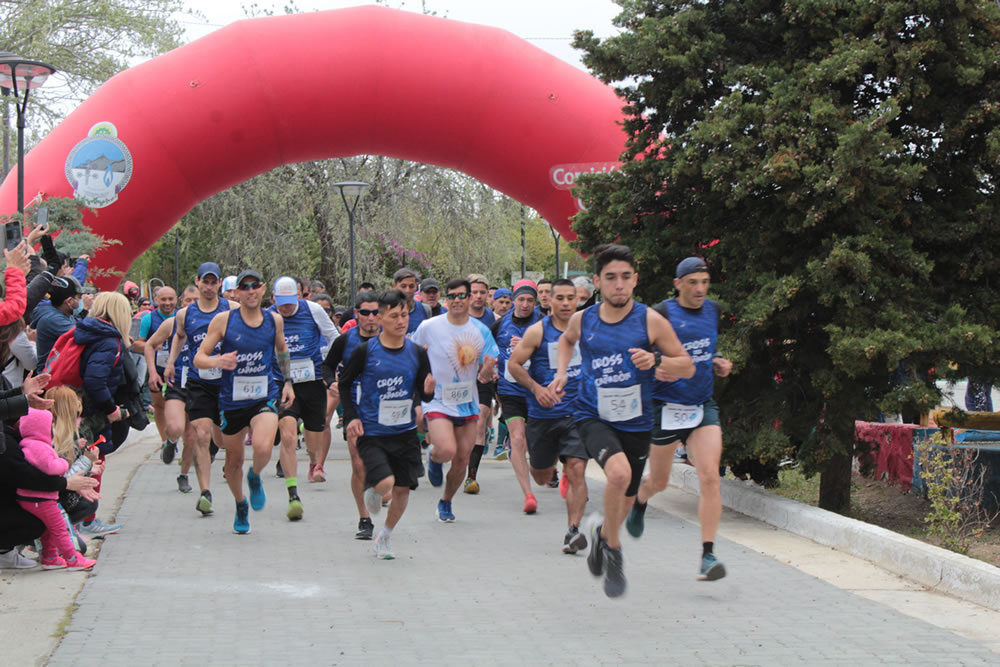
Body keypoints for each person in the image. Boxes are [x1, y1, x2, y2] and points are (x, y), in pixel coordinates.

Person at [553, 244, 693, 598]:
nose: (619, 285)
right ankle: (614, 552)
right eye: (611, 278)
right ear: (598, 282)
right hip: (592, 414)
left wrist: (656, 361)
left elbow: (686, 365)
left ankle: (601, 536)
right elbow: (567, 341)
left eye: (625, 277)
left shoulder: (650, 321)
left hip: (635, 421)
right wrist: (561, 373)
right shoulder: (584, 319)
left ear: (635, 281)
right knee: (618, 475)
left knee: (626, 498)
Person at [626, 257, 733, 581]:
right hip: (664, 406)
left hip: (702, 405)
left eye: (704, 281)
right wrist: (657, 364)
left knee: (710, 477)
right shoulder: (661, 313)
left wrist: (715, 361)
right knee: (658, 481)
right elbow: (637, 353)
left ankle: (707, 555)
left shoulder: (713, 311)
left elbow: (698, 350)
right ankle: (641, 501)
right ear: (678, 284)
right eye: (693, 283)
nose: (700, 289)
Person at [195, 270, 295, 535]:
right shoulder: (224, 320)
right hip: (232, 400)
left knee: (263, 447)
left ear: (263, 290)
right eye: (244, 287)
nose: (250, 291)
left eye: (255, 286)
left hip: (263, 396)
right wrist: (218, 361)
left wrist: (287, 381)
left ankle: (255, 475)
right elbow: (199, 358)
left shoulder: (274, 320)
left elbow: (282, 349)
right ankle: (241, 504)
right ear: (237, 293)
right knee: (234, 462)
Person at [339, 289, 435, 558]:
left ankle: (386, 535)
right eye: (394, 316)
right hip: (373, 432)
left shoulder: (416, 352)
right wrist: (352, 417)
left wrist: (428, 391)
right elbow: (344, 384)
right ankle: (372, 490)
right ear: (380, 319)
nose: (401, 321)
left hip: (404, 432)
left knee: (403, 490)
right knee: (386, 485)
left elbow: (422, 392)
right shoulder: (365, 351)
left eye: (404, 315)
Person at [507, 278, 591, 552]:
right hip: (543, 414)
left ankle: (573, 531)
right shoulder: (536, 332)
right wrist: (536, 388)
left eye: (572, 298)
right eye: (561, 298)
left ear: (578, 300)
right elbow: (514, 364)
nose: (566, 303)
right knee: (541, 476)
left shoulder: (588, 330)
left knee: (578, 468)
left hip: (579, 413)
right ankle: (555, 467)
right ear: (550, 301)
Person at [412, 278, 498, 523]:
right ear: (445, 300)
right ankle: (434, 456)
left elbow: (485, 376)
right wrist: (420, 384)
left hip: (466, 401)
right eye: (452, 296)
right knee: (447, 449)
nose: (457, 300)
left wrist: (488, 369)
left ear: (470, 299)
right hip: (437, 399)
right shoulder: (429, 326)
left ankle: (446, 501)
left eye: (462, 296)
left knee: (462, 458)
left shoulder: (481, 331)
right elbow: (411, 355)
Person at [166, 262, 237, 516]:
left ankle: (225, 462)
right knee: (200, 433)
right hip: (198, 381)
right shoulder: (185, 314)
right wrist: (172, 362)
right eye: (204, 282)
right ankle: (205, 492)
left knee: (223, 439)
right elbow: (179, 335)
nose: (209, 287)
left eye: (213, 282)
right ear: (197, 282)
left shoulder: (232, 309)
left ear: (219, 284)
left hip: (227, 382)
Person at [270, 276, 339, 521]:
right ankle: (292, 493)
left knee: (314, 433)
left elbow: (334, 337)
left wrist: (329, 368)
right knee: (288, 435)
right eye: (281, 303)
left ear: (299, 296)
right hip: (282, 383)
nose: (286, 308)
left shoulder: (314, 310)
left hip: (312, 380)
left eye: (290, 302)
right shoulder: (268, 316)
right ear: (273, 299)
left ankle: (314, 462)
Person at [473, 280, 541, 510]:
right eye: (520, 299)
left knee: (539, 444)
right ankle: (528, 494)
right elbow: (485, 348)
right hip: (510, 391)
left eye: (530, 301)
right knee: (518, 439)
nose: (524, 304)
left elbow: (557, 349)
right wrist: (489, 367)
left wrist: (529, 345)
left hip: (537, 390)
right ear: (513, 301)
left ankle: (547, 470)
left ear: (535, 303)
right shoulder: (500, 325)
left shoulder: (543, 324)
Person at [322, 291, 382, 539]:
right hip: (354, 407)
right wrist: (330, 383)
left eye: (375, 312)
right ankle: (365, 518)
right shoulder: (345, 340)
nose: (370, 317)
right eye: (365, 313)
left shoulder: (391, 340)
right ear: (356, 314)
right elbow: (326, 365)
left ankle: (376, 486)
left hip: (385, 409)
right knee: (358, 463)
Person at [15, 408, 97, 570]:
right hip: (41, 498)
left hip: (33, 497)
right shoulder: (39, 447)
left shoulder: (28, 445)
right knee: (60, 529)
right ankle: (73, 559)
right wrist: (64, 464)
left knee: (48, 529)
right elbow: (51, 467)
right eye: (50, 425)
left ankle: (50, 556)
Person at [144, 285, 199, 493]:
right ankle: (170, 442)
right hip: (177, 382)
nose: (192, 305)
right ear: (181, 303)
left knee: (192, 436)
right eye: (188, 301)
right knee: (175, 427)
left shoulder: (211, 323)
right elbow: (149, 345)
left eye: (196, 301)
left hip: (199, 384)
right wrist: (153, 372)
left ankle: (183, 475)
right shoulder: (172, 323)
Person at [132, 285, 178, 459]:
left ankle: (176, 436)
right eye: (163, 299)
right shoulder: (148, 319)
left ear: (176, 299)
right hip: (156, 369)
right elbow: (136, 344)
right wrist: (152, 345)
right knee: (159, 405)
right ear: (156, 300)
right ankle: (165, 442)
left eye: (170, 299)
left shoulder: (181, 317)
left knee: (179, 405)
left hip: (176, 369)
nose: (167, 303)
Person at [32, 276, 84, 373]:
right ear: (69, 301)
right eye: (79, 297)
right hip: (50, 381)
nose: (81, 301)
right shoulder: (53, 319)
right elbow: (83, 335)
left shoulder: (65, 314)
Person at [391, 268, 432, 336]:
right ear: (394, 286)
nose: (407, 290)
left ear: (416, 286)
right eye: (403, 286)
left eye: (411, 286)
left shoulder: (425, 309)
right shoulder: (386, 310)